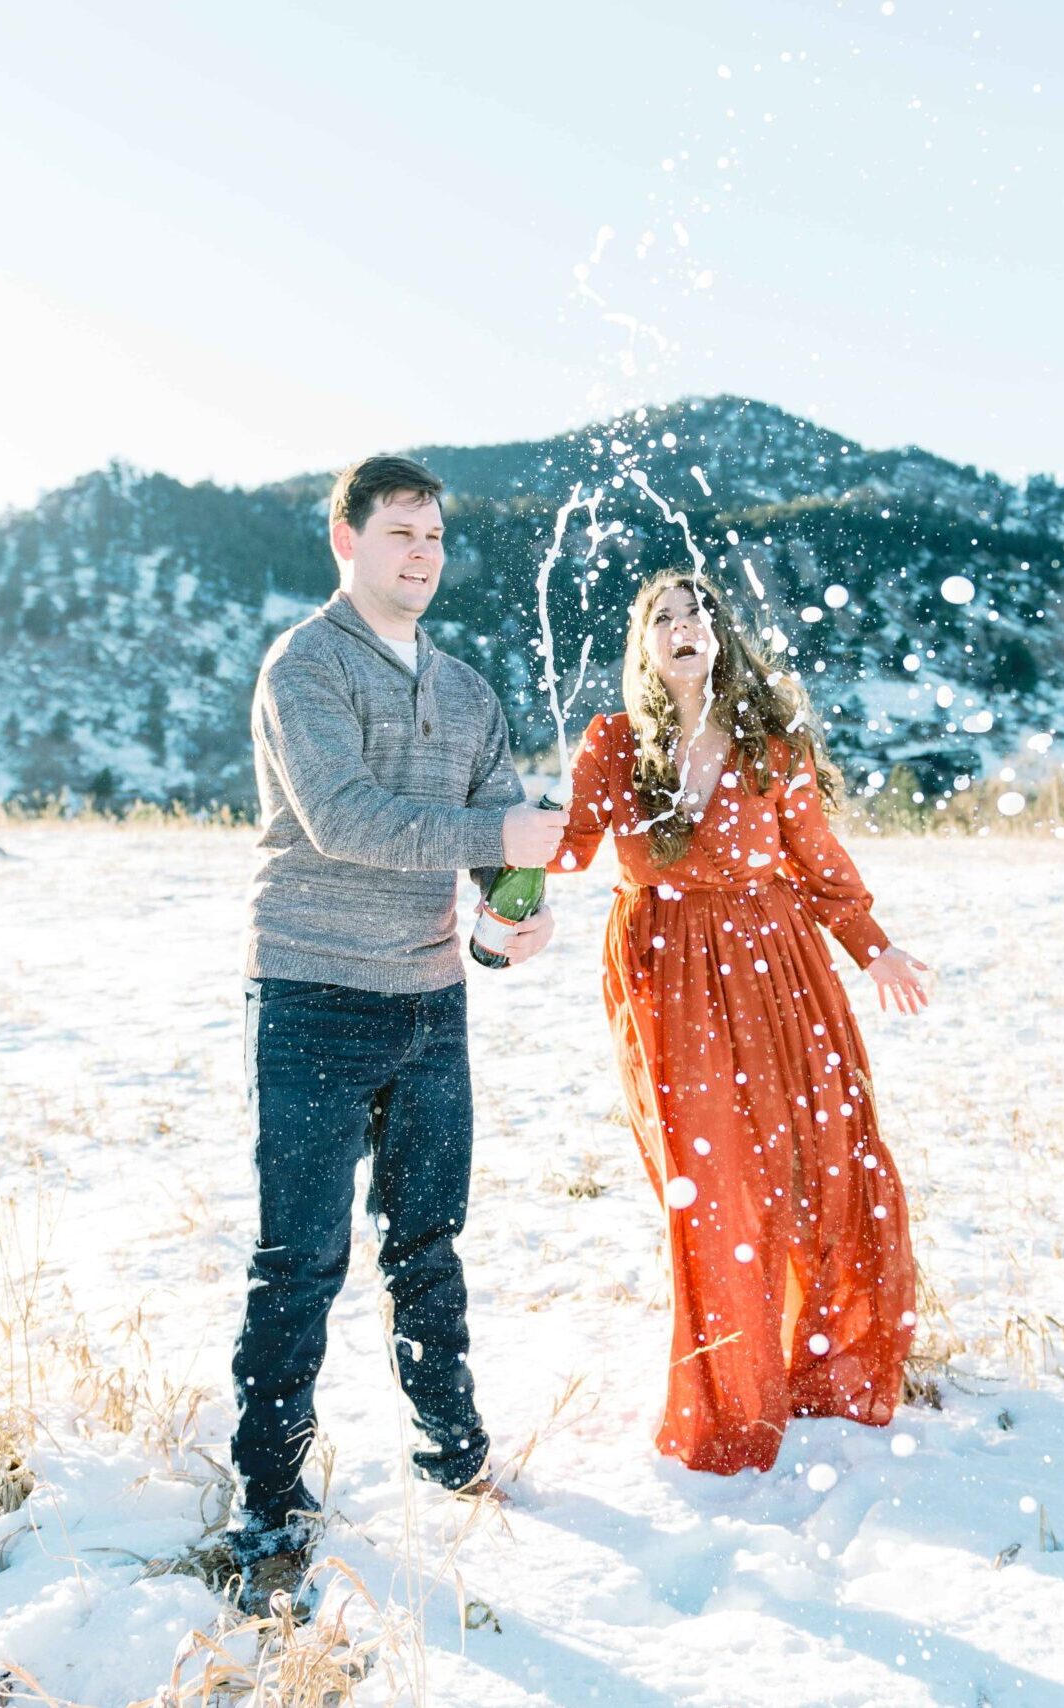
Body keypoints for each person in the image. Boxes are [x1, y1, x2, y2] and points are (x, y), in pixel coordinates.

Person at [230, 454, 564, 1613]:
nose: (420, 553)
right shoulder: (305, 664)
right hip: (313, 990)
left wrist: (512, 903)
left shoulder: (469, 690)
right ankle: (267, 1497)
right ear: (345, 540)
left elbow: (495, 838)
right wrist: (499, 830)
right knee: (301, 1258)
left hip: (430, 1001)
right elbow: (345, 819)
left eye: (432, 535)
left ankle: (453, 1447)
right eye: (398, 533)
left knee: (427, 1238)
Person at [549, 567, 929, 1475]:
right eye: (662, 619)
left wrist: (872, 946)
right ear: (641, 647)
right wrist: (495, 840)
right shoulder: (611, 745)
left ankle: (821, 1362)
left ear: (720, 635)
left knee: (824, 1163)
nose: (682, 628)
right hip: (667, 980)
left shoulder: (768, 744)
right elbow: (563, 851)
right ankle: (729, 1396)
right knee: (713, 1189)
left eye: (697, 614)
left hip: (780, 974)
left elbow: (818, 862)